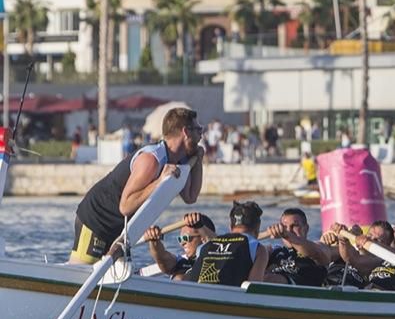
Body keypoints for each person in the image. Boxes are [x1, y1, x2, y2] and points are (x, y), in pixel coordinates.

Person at [70, 107, 205, 265]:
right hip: (97, 220)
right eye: (198, 129)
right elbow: (126, 207)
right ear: (186, 132)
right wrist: (160, 181)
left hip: (119, 231)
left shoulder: (180, 160)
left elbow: (190, 196)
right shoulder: (151, 159)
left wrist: (198, 161)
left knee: (119, 279)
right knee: (81, 276)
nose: (201, 135)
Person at [185, 201, 268, 286]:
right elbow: (253, 287)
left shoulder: (203, 247)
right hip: (227, 296)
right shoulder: (259, 249)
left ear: (230, 226)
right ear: (258, 227)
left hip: (193, 292)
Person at [263, 208, 331, 286]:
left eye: (295, 225)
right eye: (284, 227)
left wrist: (287, 235)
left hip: (303, 288)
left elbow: (317, 253)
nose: (289, 230)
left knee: (270, 279)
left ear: (306, 229)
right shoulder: (274, 252)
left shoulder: (318, 248)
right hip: (273, 289)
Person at [142, 212, 216, 280]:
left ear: (202, 238)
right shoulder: (181, 261)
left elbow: (215, 244)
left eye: (185, 238)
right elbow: (162, 257)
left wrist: (200, 226)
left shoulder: (220, 258)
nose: (182, 243)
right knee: (178, 278)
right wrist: (154, 240)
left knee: (180, 278)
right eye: (180, 239)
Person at [331, 220, 395, 286]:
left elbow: (351, 258)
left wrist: (343, 240)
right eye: (369, 235)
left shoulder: (379, 262)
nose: (370, 240)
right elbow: (326, 253)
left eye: (377, 240)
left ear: (386, 248)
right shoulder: (349, 248)